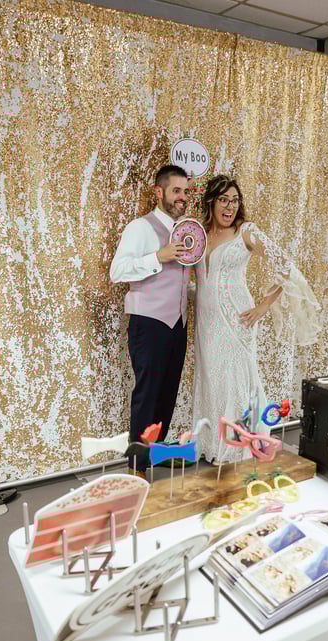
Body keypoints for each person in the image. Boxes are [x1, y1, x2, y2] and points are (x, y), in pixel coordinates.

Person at [192, 174, 322, 463]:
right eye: (224, 200)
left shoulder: (246, 232)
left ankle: (237, 446)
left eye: (235, 201)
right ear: (211, 202)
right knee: (211, 381)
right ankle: (211, 443)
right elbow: (202, 279)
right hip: (206, 321)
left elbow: (285, 266)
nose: (230, 207)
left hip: (237, 319)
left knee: (234, 382)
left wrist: (263, 306)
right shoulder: (200, 233)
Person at [110, 164, 189, 476]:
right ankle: (136, 466)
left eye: (186, 191)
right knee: (147, 395)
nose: (183, 197)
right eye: (176, 191)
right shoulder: (140, 228)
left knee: (168, 392)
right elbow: (117, 272)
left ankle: (154, 451)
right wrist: (158, 256)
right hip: (149, 322)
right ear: (160, 192)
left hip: (178, 324)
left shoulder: (187, 231)